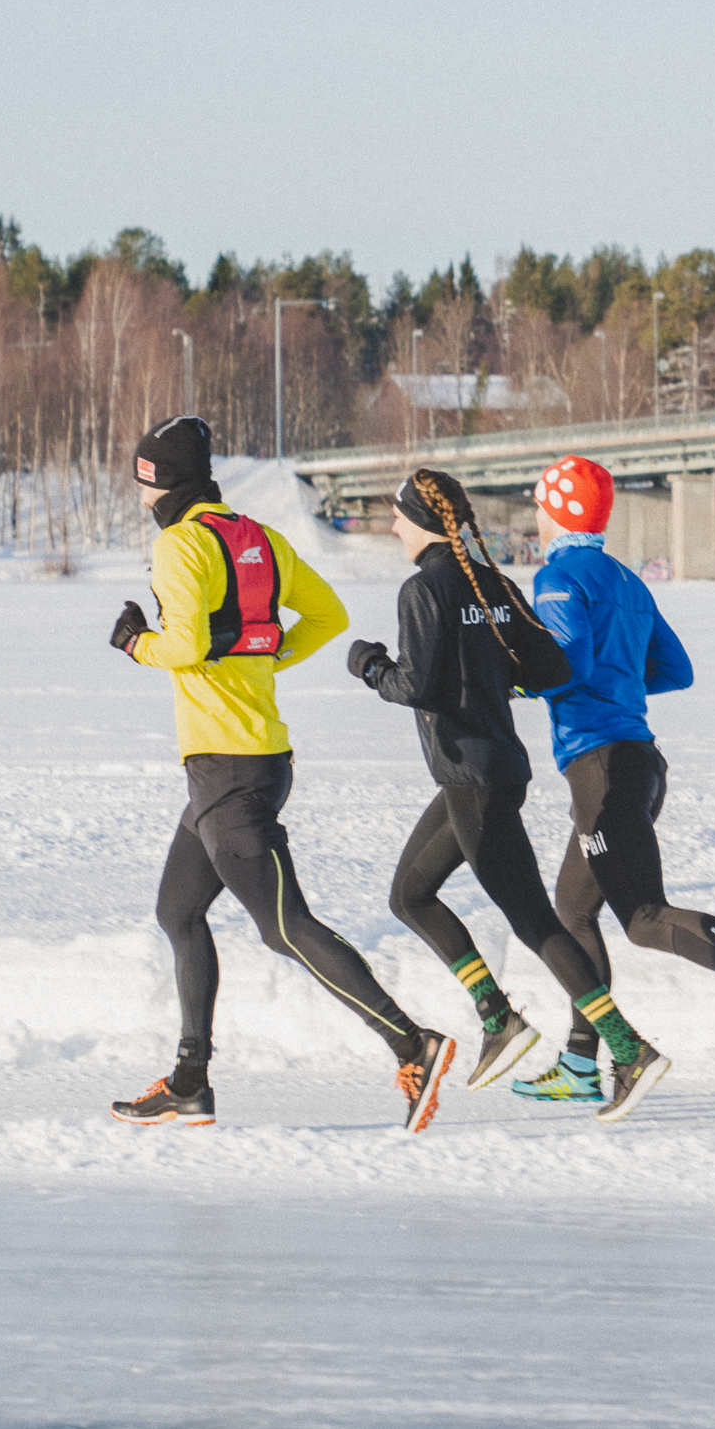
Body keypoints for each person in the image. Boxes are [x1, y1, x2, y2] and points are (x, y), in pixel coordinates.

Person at [104, 414, 455, 1133]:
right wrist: (262, 655)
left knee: (286, 929)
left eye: (145, 481)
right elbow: (326, 615)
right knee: (178, 912)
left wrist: (137, 644)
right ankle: (190, 1082)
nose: (140, 494)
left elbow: (185, 644)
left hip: (227, 770)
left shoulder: (177, 545)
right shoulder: (255, 537)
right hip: (247, 764)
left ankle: (411, 1042)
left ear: (165, 482)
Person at [344, 468, 673, 1122]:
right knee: (410, 895)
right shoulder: (492, 583)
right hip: (491, 772)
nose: (394, 525)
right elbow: (551, 667)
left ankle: (625, 1047)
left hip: (471, 776)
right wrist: (491, 671)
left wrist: (370, 666)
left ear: (424, 522)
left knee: (535, 922)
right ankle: (499, 1018)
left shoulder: (423, 589)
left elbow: (416, 685)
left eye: (400, 514)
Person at [510, 454, 715, 1104]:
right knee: (573, 910)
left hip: (602, 769)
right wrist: (618, 685)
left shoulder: (558, 577)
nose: (536, 517)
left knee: (644, 918)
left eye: (540, 505)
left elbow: (566, 665)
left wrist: (518, 681)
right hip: (637, 763)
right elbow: (676, 669)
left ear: (558, 511)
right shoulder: (626, 580)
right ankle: (581, 1063)